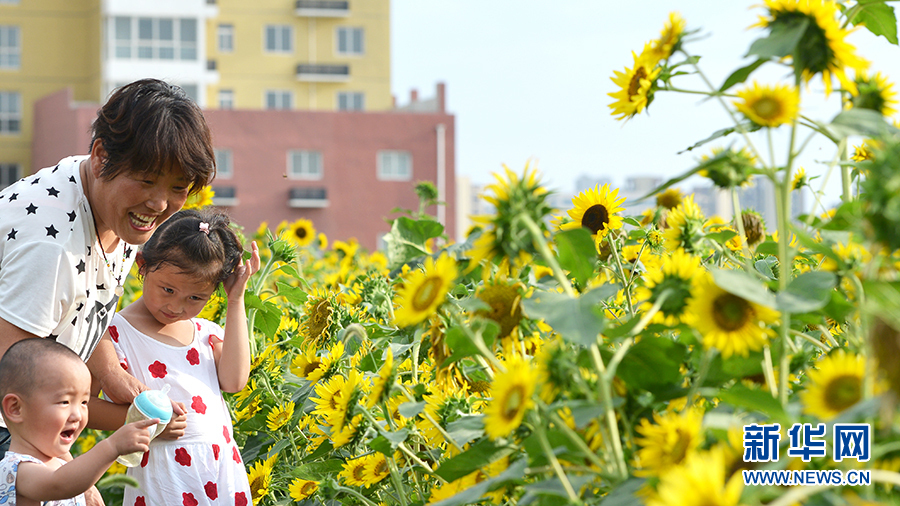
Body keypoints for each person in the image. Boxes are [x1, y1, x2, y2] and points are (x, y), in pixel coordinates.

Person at [0, 78, 215, 498]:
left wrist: (110, 372)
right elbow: (14, 380)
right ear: (101, 156)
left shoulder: (115, 206)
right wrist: (74, 465)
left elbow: (84, 300)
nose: (158, 204)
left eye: (178, 188)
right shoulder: (49, 247)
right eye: (148, 180)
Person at [106, 209, 259, 506]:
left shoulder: (205, 332)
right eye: (167, 289)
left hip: (219, 471)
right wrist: (149, 425)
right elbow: (87, 409)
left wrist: (236, 298)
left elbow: (235, 380)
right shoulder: (115, 332)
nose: (176, 306)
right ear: (142, 265)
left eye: (195, 298)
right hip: (164, 477)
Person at [0, 338, 159, 505]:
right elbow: (59, 485)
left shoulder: (61, 465)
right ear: (16, 408)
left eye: (83, 402)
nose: (77, 415)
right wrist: (112, 446)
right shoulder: (17, 470)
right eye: (64, 402)